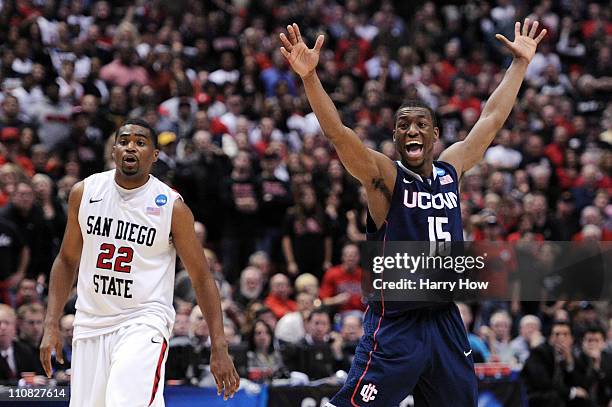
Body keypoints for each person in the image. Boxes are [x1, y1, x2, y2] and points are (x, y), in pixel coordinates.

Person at [280, 19, 547, 406]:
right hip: (395, 323)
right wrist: (310, 78)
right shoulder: (385, 177)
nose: (412, 131)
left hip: (443, 320)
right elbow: (338, 134)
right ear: (395, 137)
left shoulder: (451, 169)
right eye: (403, 125)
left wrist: (519, 65)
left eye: (422, 124)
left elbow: (490, 121)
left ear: (435, 136)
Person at [39, 119, 239, 406]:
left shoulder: (171, 206)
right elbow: (67, 259)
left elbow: (202, 278)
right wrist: (51, 324)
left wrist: (218, 346)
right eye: (124, 141)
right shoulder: (85, 192)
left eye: (140, 142)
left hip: (143, 322)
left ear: (154, 155)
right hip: (91, 323)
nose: (131, 147)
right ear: (114, 150)